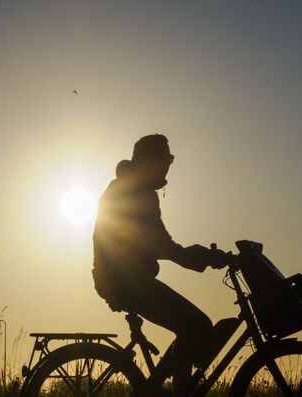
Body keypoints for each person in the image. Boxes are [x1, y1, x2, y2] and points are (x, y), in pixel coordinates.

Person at [92, 134, 228, 397]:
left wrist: (199, 257)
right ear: (146, 160)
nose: (168, 164)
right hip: (125, 281)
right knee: (195, 325)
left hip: (130, 279)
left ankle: (158, 388)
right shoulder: (131, 191)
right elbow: (157, 245)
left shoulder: (138, 189)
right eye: (164, 158)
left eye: (170, 159)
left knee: (196, 325)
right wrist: (200, 258)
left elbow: (162, 242)